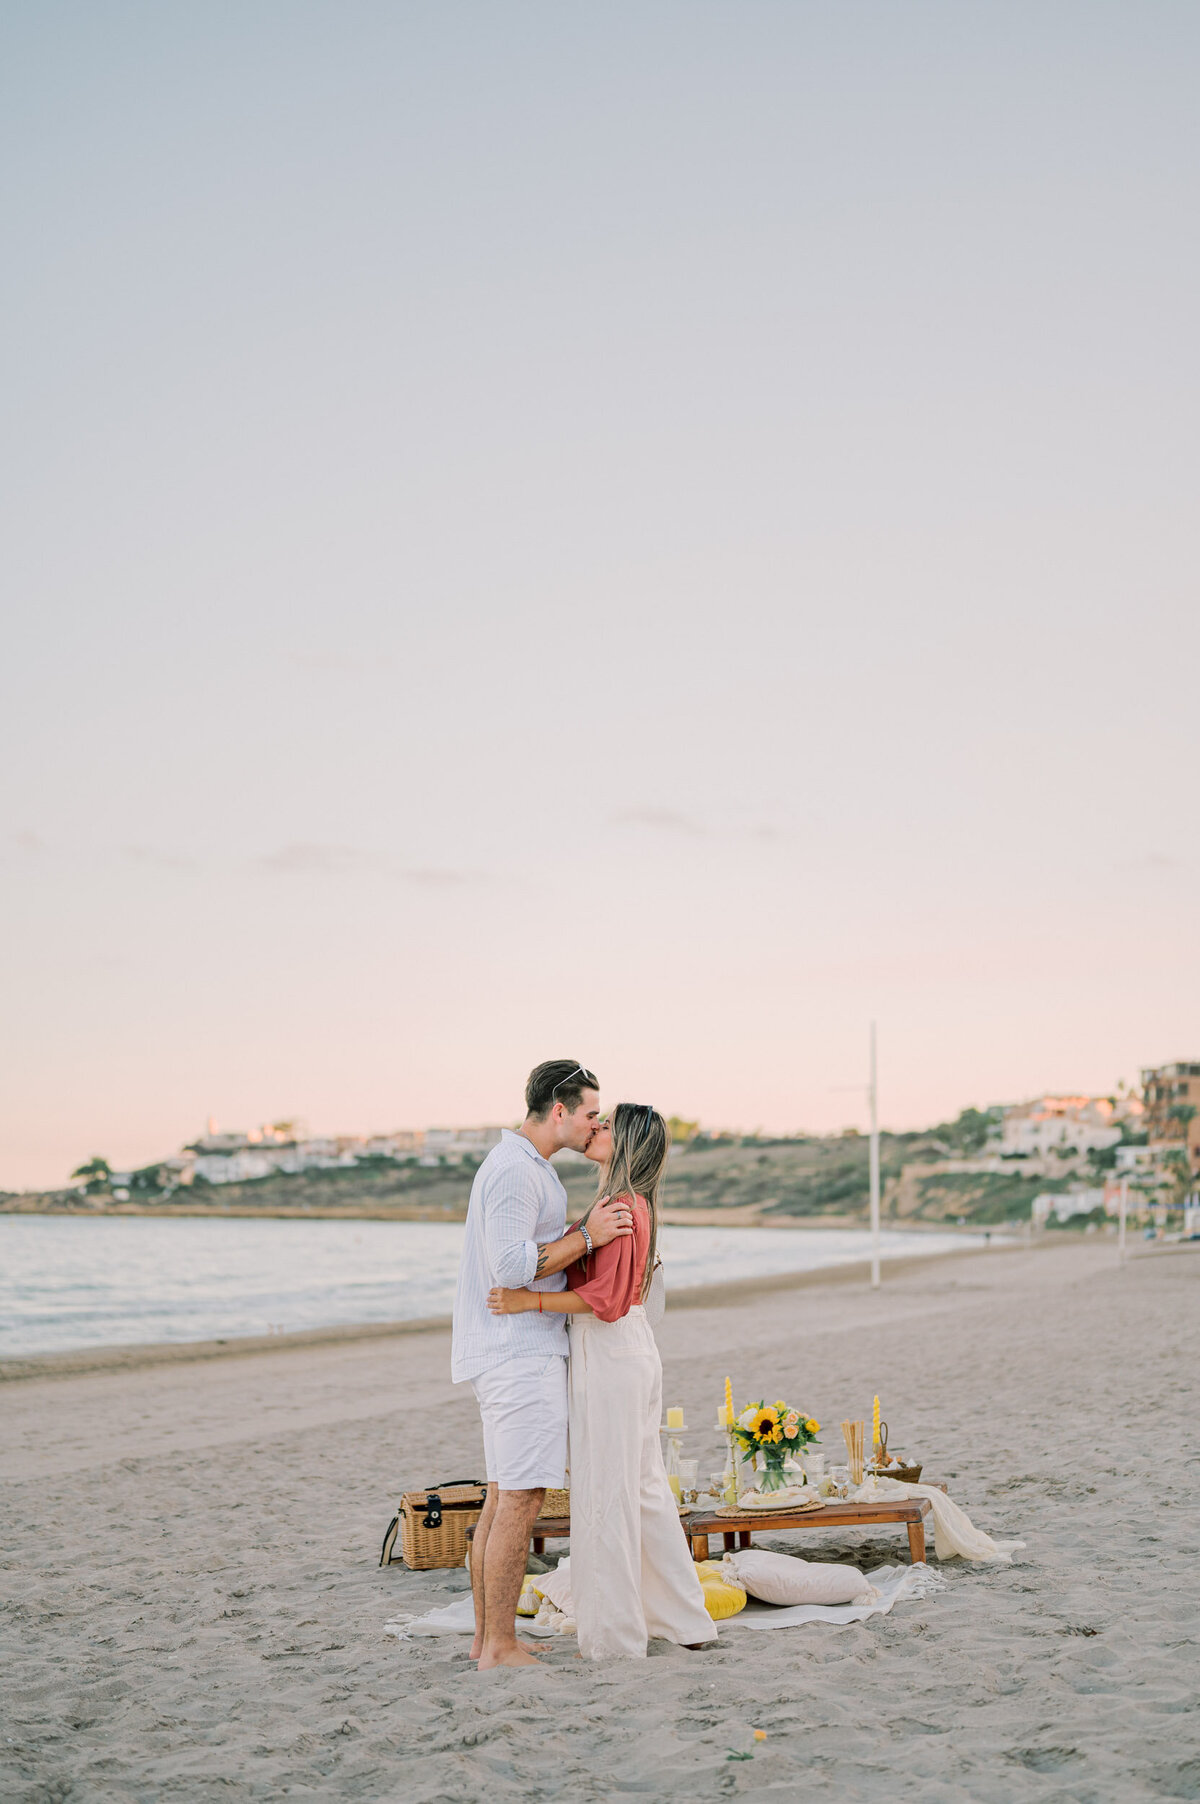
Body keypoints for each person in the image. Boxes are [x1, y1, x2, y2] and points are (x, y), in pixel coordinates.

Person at [488, 1103, 715, 1660]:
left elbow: (607, 1301)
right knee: (641, 1487)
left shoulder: (620, 1206)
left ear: (628, 1142)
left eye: (608, 1124)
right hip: (630, 1352)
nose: (596, 1128)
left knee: (608, 1491)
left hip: (611, 1354)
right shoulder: (634, 1204)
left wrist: (527, 1301)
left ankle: (615, 1636)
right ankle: (683, 1619)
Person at [450, 1060, 634, 1670]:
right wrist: (590, 1237)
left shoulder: (532, 1171)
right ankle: (498, 1646)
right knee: (522, 1500)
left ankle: (487, 1639)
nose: (594, 1125)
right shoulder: (512, 1171)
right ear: (559, 1110)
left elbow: (536, 1252)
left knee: (504, 1499)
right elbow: (509, 1266)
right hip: (517, 1354)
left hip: (516, 1350)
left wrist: (583, 1230)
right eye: (589, 1114)